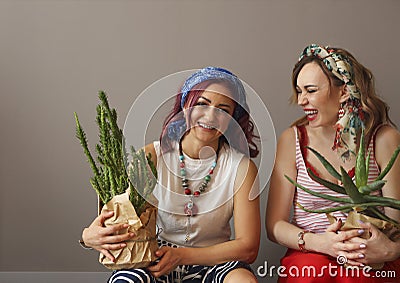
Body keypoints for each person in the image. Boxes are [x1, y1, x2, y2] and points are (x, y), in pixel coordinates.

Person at [81, 67, 261, 283]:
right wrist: (88, 236)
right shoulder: (152, 156)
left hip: (214, 262)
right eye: (202, 103)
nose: (211, 115)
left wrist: (183, 256)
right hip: (154, 259)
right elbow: (122, 216)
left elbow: (248, 247)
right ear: (186, 106)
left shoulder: (240, 168)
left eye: (223, 109)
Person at [266, 44, 400, 282]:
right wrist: (320, 243)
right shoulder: (292, 140)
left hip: (370, 255)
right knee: (311, 274)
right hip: (313, 252)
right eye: (298, 91)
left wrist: (389, 249)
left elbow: (396, 223)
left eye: (310, 90)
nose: (301, 100)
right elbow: (274, 225)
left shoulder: (383, 138)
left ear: (344, 92)